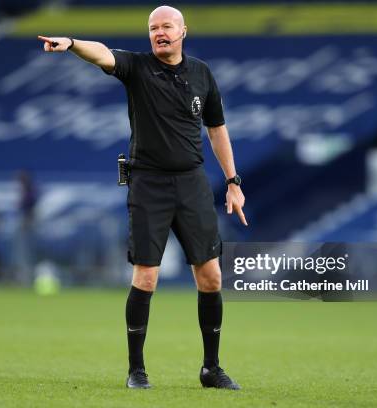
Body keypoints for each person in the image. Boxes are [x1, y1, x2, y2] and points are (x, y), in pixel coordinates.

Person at [38, 5, 247, 390]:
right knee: (147, 277)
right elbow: (102, 53)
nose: (159, 32)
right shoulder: (137, 67)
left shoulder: (201, 73)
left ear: (184, 31)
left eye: (167, 26)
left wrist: (233, 181)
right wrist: (70, 44)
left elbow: (217, 128)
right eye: (153, 28)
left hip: (192, 183)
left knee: (211, 275)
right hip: (149, 183)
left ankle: (211, 368)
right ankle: (137, 370)